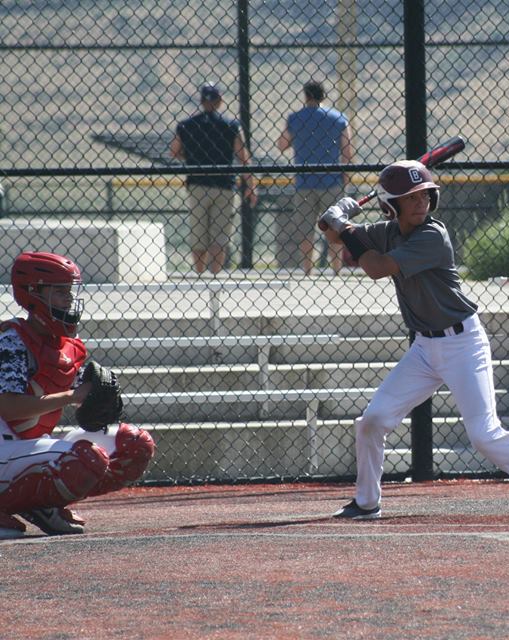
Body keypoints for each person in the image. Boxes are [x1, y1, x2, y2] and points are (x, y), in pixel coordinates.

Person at [318, 160, 509, 518]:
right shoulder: (387, 232)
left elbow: (376, 267)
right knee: (373, 420)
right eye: (410, 197)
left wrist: (345, 225)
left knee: (484, 434)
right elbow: (332, 234)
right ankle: (366, 502)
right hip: (424, 348)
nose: (420, 203)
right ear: (392, 205)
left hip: (463, 344)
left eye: (425, 195)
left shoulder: (433, 235)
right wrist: (335, 217)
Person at [0, 252, 156, 538]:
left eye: (69, 293)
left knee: (134, 444)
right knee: (85, 459)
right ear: (33, 292)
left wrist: (100, 402)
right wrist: (73, 396)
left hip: (28, 447)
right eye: (60, 293)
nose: (69, 301)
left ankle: (42, 504)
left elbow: (84, 400)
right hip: (3, 447)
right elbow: (8, 408)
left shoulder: (69, 346)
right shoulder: (12, 341)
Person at [170, 82, 258, 275]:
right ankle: (215, 275)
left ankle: (200, 273)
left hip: (198, 183)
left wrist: (191, 156)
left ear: (201, 101)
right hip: (224, 185)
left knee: (198, 233)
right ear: (219, 101)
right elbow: (244, 157)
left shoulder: (186, 126)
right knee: (220, 236)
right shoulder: (230, 126)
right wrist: (251, 186)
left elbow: (174, 151)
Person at [276, 80, 353, 275]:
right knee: (336, 227)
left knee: (305, 229)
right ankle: (337, 270)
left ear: (305, 96)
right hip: (332, 180)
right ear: (323, 96)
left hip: (304, 182)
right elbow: (347, 151)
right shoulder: (339, 119)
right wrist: (346, 176)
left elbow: (282, 144)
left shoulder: (295, 119)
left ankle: (307, 270)